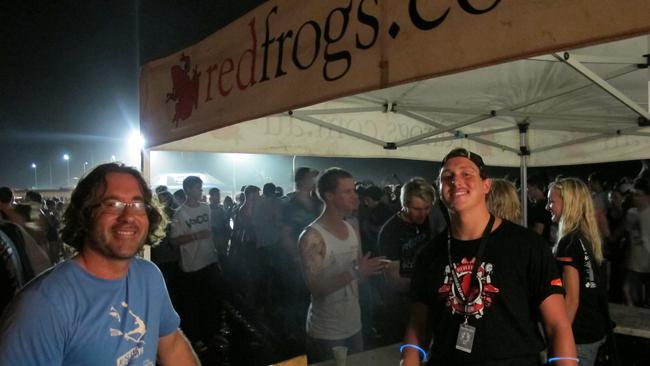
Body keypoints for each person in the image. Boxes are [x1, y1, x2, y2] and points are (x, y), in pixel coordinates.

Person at [0, 163, 198, 365]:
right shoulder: (43, 305)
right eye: (112, 204)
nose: (128, 216)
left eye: (137, 205)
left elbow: (172, 347)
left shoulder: (149, 277)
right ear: (85, 214)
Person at [403, 148, 576, 366]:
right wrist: (408, 359)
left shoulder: (527, 245)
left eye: (466, 174)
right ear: (440, 189)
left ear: (486, 185)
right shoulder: (429, 254)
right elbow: (418, 324)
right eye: (447, 176)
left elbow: (558, 326)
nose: (456, 181)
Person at [299, 168, 387, 363]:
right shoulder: (312, 237)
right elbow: (316, 289)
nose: (355, 197)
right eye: (347, 192)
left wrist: (375, 269)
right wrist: (356, 271)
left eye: (354, 191)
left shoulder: (352, 227)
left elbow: (359, 275)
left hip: (354, 325)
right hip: (326, 332)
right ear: (329, 196)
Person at [547, 178, 609, 366]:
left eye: (552, 201)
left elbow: (572, 299)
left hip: (578, 336)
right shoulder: (586, 237)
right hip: (592, 328)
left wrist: (558, 339)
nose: (547, 206)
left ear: (569, 203)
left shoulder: (570, 242)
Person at [378, 177, 436, 342]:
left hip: (424, 300)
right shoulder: (390, 232)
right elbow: (393, 279)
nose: (423, 214)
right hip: (401, 304)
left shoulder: (426, 221)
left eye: (427, 208)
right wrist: (427, 287)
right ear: (404, 205)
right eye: (417, 209)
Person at [170, 175, 222, 350]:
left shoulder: (206, 208)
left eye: (201, 188)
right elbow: (174, 241)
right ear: (188, 190)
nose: (201, 192)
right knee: (193, 305)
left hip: (210, 261)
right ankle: (196, 338)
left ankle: (211, 334)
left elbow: (210, 232)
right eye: (198, 189)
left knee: (212, 300)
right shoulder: (180, 213)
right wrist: (196, 236)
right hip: (192, 266)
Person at [622, 176, 650, 307]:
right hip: (634, 263)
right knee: (628, 292)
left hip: (648, 263)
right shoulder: (631, 213)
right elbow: (628, 236)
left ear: (647, 197)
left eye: (638, 195)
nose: (634, 198)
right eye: (634, 195)